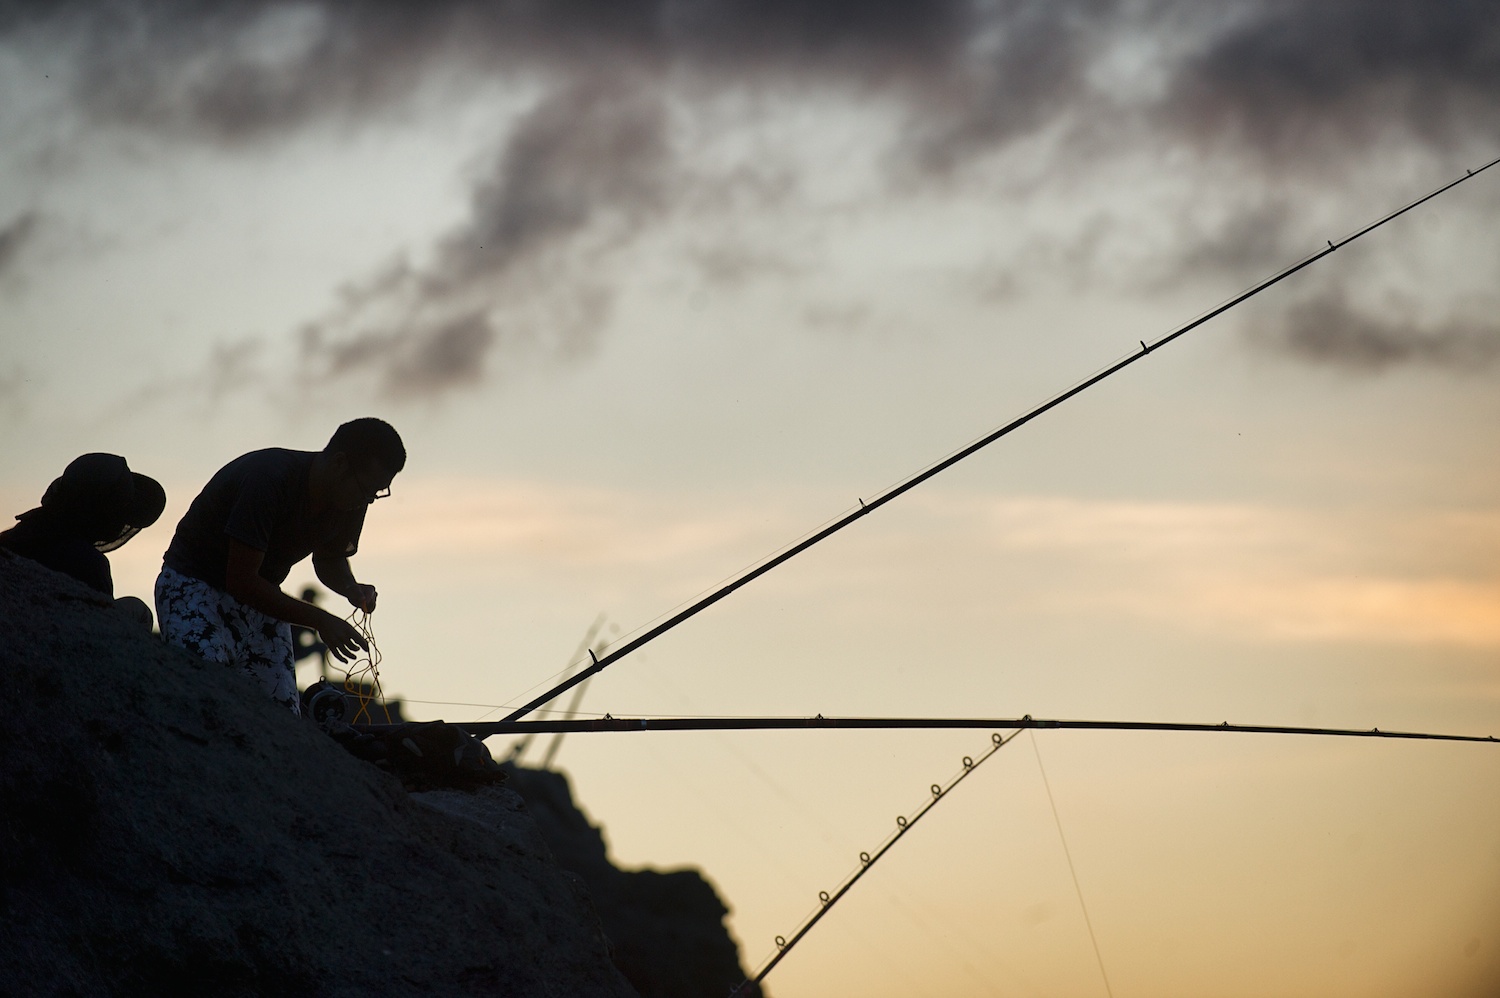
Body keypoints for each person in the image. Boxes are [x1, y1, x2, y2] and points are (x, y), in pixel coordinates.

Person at [155, 418, 404, 715]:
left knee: (282, 716)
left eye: (378, 493)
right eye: (367, 490)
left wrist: (351, 587)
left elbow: (329, 558)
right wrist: (321, 621)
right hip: (194, 585)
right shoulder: (268, 479)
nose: (369, 501)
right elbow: (242, 581)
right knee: (207, 700)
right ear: (340, 464)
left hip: (262, 599)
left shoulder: (350, 500)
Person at [1, 453, 166, 626]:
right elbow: (98, 626)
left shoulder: (21, 533)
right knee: (137, 610)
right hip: (50, 633)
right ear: (104, 513)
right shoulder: (88, 563)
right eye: (120, 511)